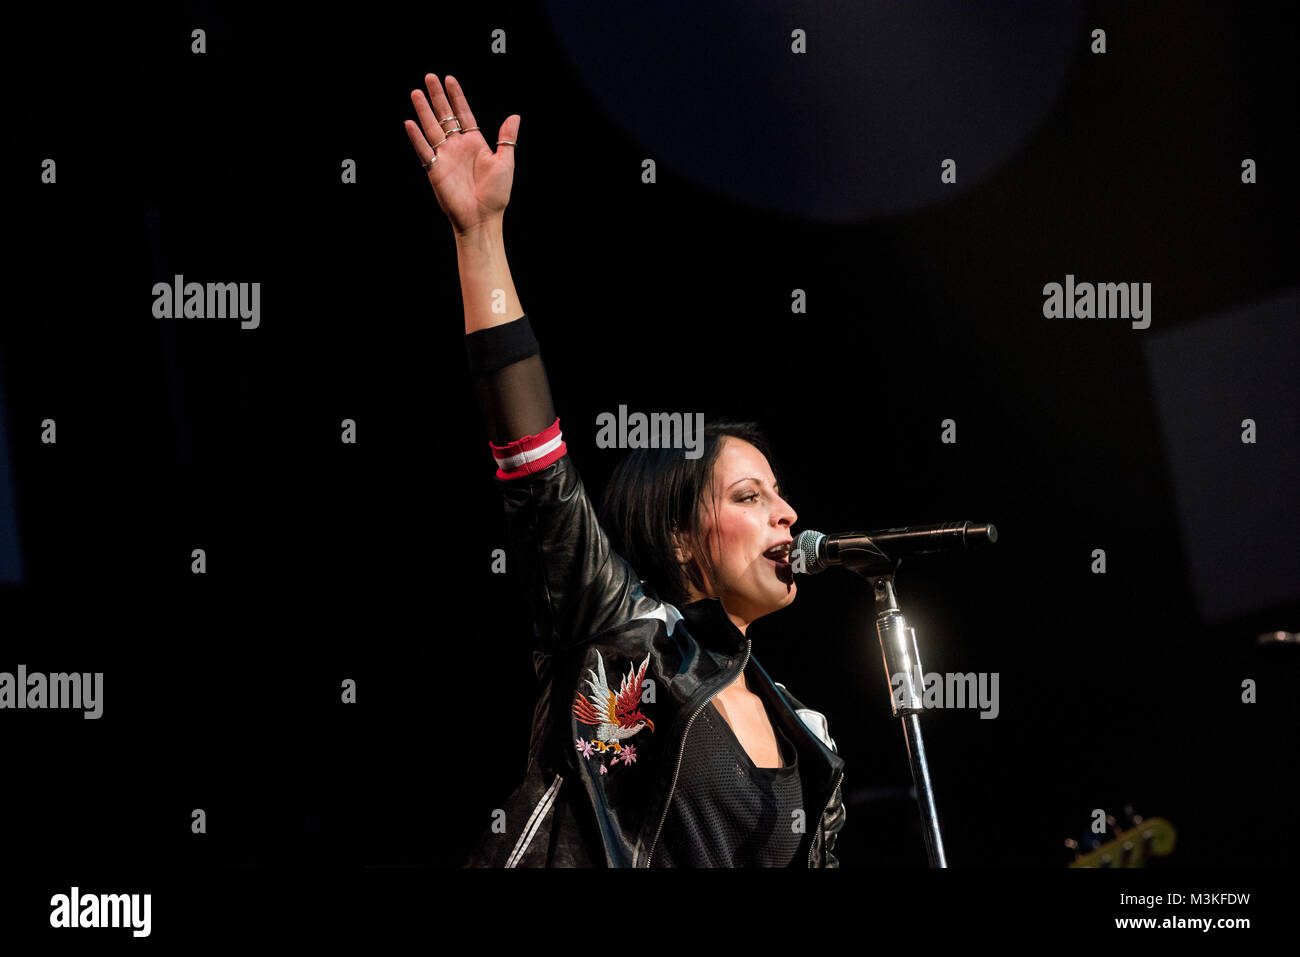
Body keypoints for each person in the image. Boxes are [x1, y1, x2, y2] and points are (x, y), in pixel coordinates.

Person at [404, 73, 846, 867]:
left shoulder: (805, 733)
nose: (787, 513)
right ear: (681, 536)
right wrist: (480, 237)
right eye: (750, 495)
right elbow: (535, 460)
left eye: (780, 493)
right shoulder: (615, 633)